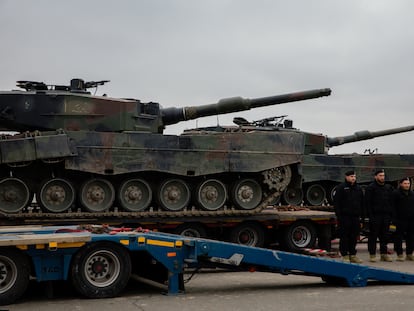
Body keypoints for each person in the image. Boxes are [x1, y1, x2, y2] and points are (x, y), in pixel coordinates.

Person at [334, 170, 364, 263]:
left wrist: (362, 217)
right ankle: (344, 255)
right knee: (344, 237)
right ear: (346, 177)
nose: (353, 178)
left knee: (353, 237)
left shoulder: (358, 189)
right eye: (351, 176)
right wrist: (339, 216)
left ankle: (353, 255)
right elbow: (337, 203)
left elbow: (362, 203)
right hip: (344, 217)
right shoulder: (341, 188)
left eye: (354, 176)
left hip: (355, 217)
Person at [365, 169, 394, 262]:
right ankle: (372, 255)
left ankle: (384, 254)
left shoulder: (388, 187)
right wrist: (370, 216)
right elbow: (367, 203)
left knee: (384, 236)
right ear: (376, 176)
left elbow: (391, 202)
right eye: (380, 175)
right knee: (373, 236)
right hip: (375, 216)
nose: (382, 177)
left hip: (386, 216)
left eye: (383, 175)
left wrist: (390, 215)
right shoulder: (371, 188)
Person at [392, 177, 414, 261]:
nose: (407, 185)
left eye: (408, 183)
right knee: (398, 237)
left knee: (411, 237)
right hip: (399, 219)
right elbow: (393, 207)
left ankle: (409, 253)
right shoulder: (395, 193)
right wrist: (394, 218)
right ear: (401, 184)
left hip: (411, 220)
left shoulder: (412, 193)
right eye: (405, 183)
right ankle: (399, 254)